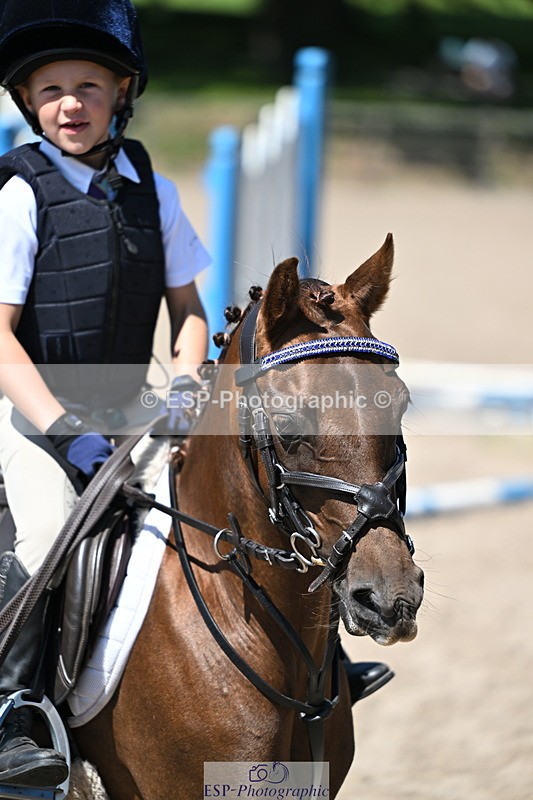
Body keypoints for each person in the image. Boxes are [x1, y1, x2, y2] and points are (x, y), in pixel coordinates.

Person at [0, 0, 210, 788]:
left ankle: (310, 667)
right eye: (50, 88)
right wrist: (67, 435)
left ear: (122, 91)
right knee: (48, 529)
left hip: (131, 402)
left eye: (88, 85)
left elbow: (188, 312)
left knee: (240, 493)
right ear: (28, 101)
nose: (69, 103)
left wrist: (188, 386)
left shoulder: (147, 183)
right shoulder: (19, 194)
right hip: (31, 406)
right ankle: (14, 715)